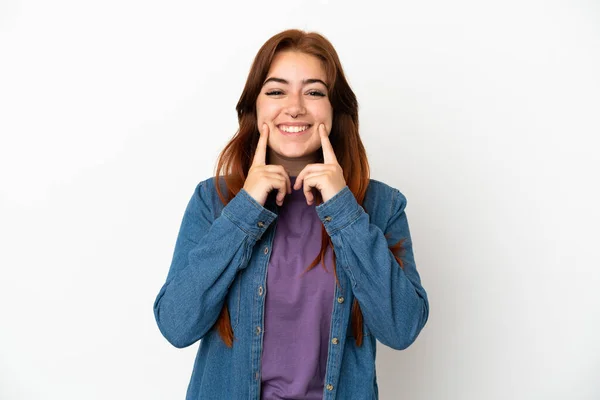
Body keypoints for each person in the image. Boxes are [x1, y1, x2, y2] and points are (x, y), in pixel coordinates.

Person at [153, 28, 429, 400]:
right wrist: (246, 209)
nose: (295, 106)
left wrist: (343, 209)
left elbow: (402, 328)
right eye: (276, 91)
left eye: (314, 91)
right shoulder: (213, 200)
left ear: (336, 110)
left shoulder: (381, 206)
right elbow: (176, 325)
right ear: (255, 107)